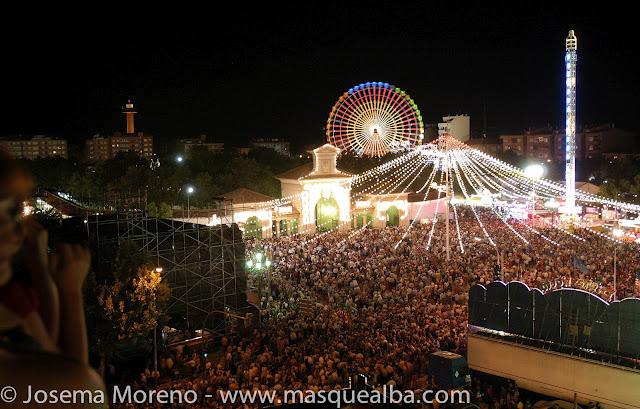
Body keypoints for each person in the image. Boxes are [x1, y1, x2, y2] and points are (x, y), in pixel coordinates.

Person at [0, 152, 106, 406]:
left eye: (12, 212)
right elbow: (80, 393)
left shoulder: (8, 300)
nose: (14, 234)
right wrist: (70, 293)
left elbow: (51, 353)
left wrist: (40, 269)